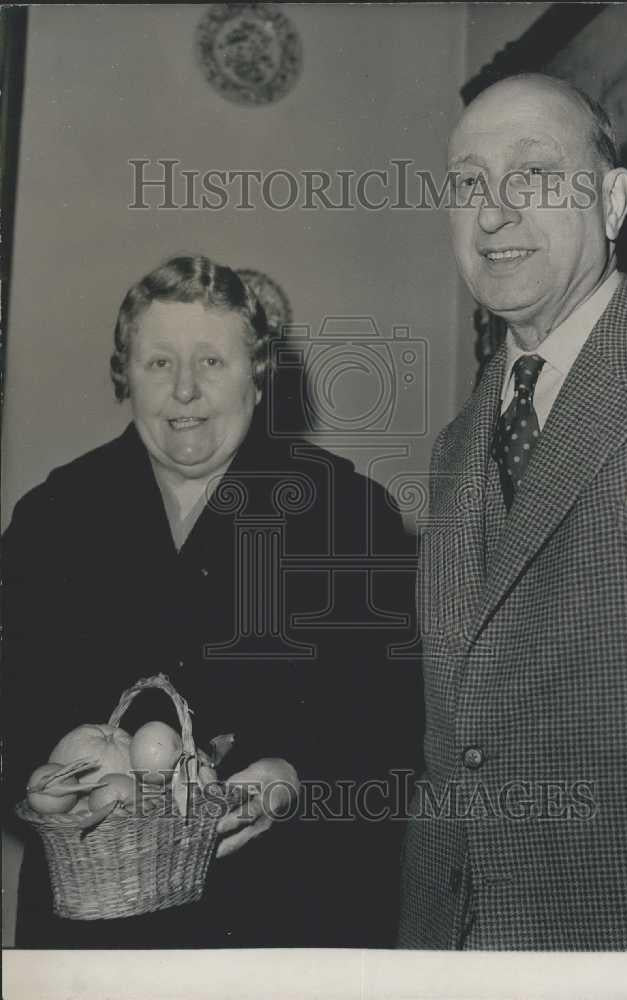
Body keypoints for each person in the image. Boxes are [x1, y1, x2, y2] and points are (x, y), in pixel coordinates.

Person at [3, 254, 422, 948]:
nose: (185, 392)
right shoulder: (52, 517)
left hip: (286, 911)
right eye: (159, 364)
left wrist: (296, 777)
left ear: (257, 376)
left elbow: (394, 718)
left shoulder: (348, 515)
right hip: (96, 930)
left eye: (212, 363)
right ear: (124, 375)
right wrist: (37, 779)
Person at [398, 74, 627, 950]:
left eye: (532, 175)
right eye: (467, 183)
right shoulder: (457, 444)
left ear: (610, 201)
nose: (492, 214)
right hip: (460, 935)